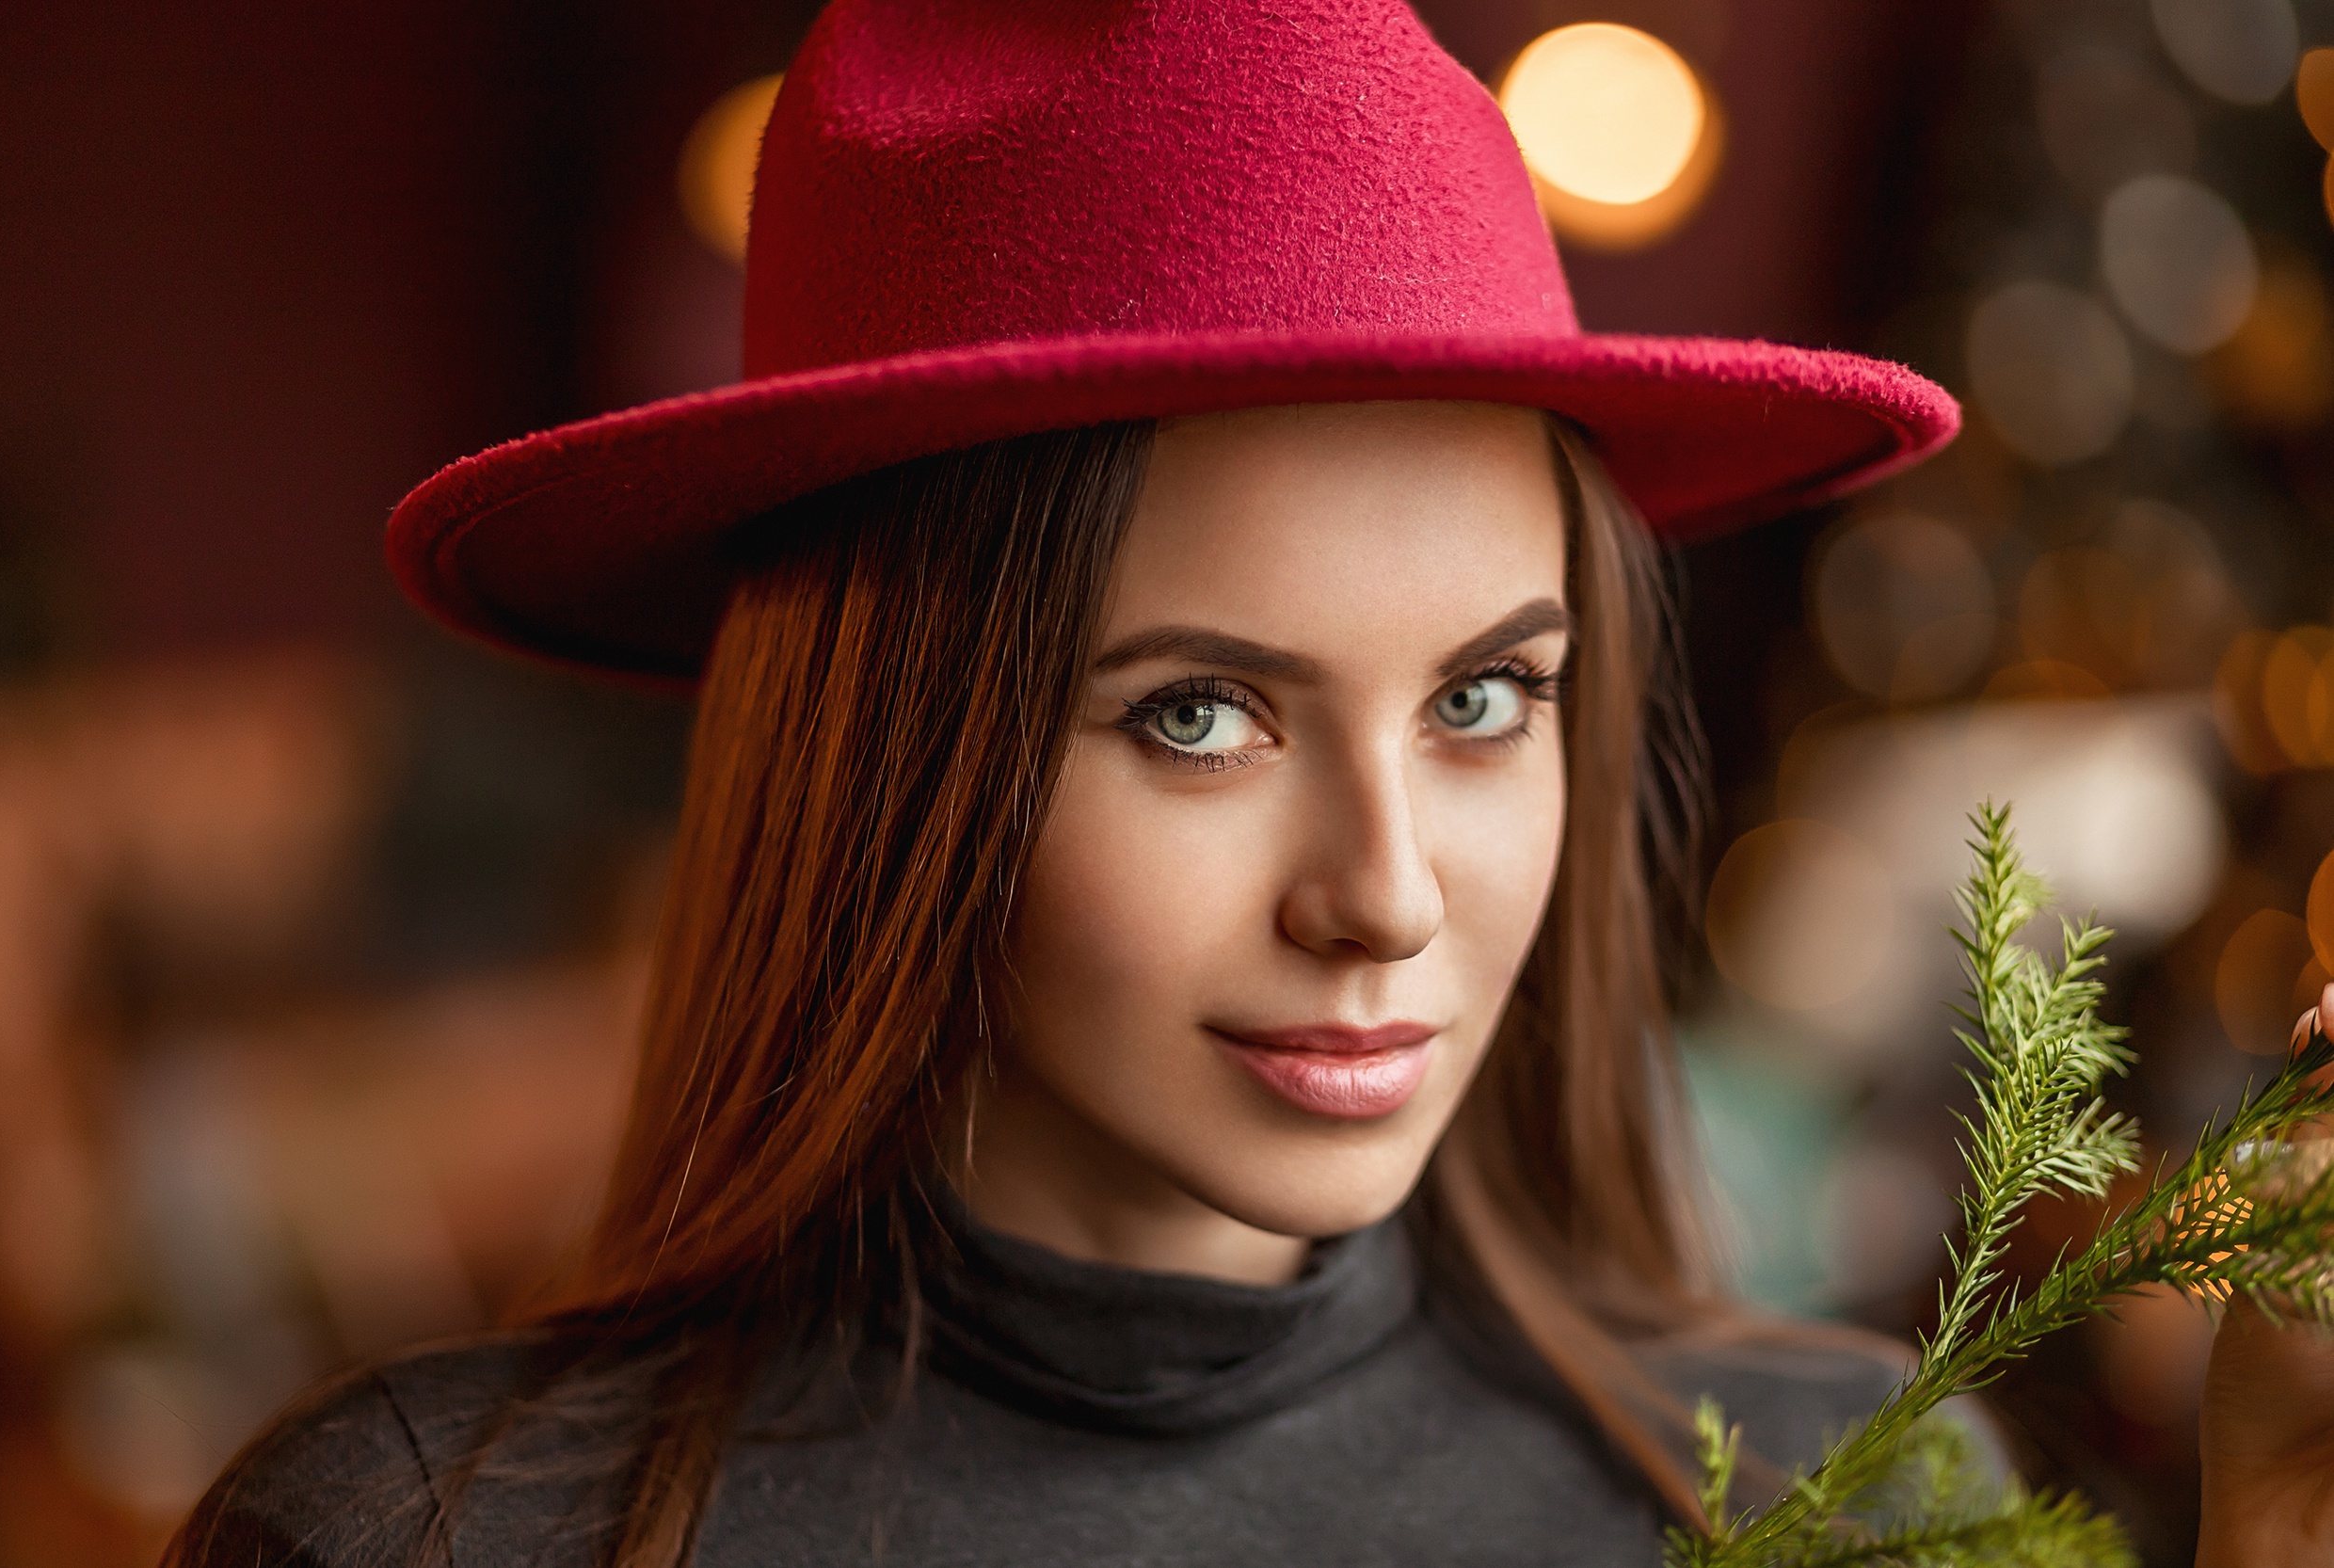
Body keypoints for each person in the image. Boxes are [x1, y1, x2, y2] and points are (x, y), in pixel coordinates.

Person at [166, 1, 2334, 1564]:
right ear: (889, 764)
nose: (1383, 890)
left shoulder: (1832, 1488)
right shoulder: (425, 1537)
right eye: (1197, 713)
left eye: (1484, 699)